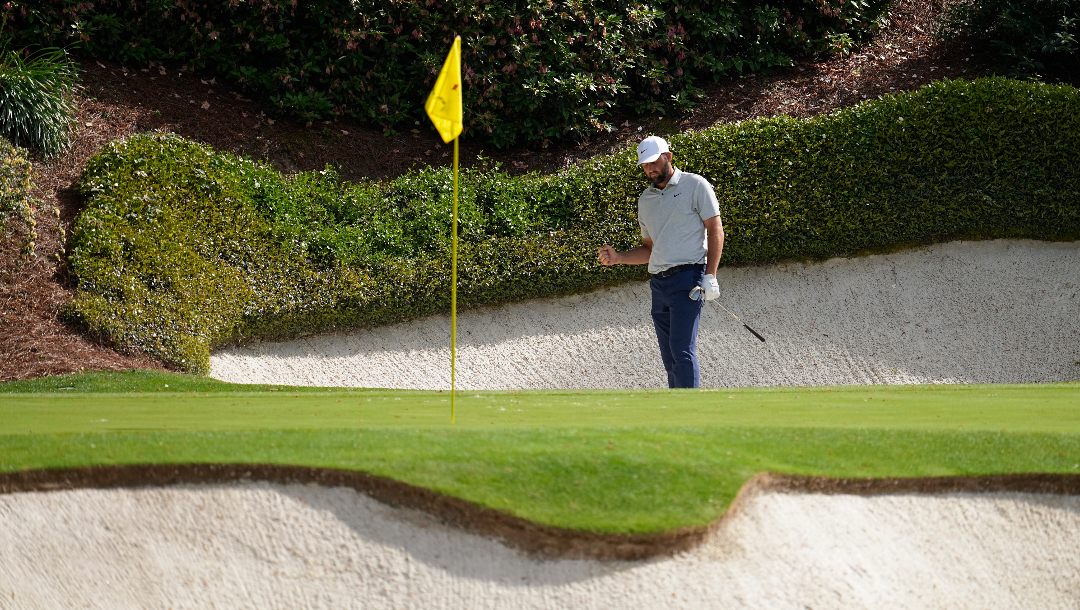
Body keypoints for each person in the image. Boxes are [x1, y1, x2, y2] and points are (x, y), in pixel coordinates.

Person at [597, 135, 724, 388]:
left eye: (653, 162)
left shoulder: (695, 185)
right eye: (644, 165)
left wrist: (710, 275)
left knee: (681, 349)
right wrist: (619, 257)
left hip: (689, 278)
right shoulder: (646, 200)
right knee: (669, 355)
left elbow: (715, 229)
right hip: (659, 284)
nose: (649, 169)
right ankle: (677, 411)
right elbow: (649, 249)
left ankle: (691, 412)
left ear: (668, 157)